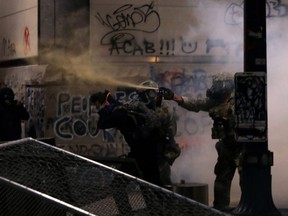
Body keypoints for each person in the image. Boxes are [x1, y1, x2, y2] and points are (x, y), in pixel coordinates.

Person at [159, 77, 243, 212]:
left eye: (218, 84)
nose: (215, 87)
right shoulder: (215, 101)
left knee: (245, 179)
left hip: (242, 146)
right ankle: (220, 209)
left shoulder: (240, 101)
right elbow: (195, 104)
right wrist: (174, 97)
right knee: (222, 178)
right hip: (227, 145)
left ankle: (246, 206)